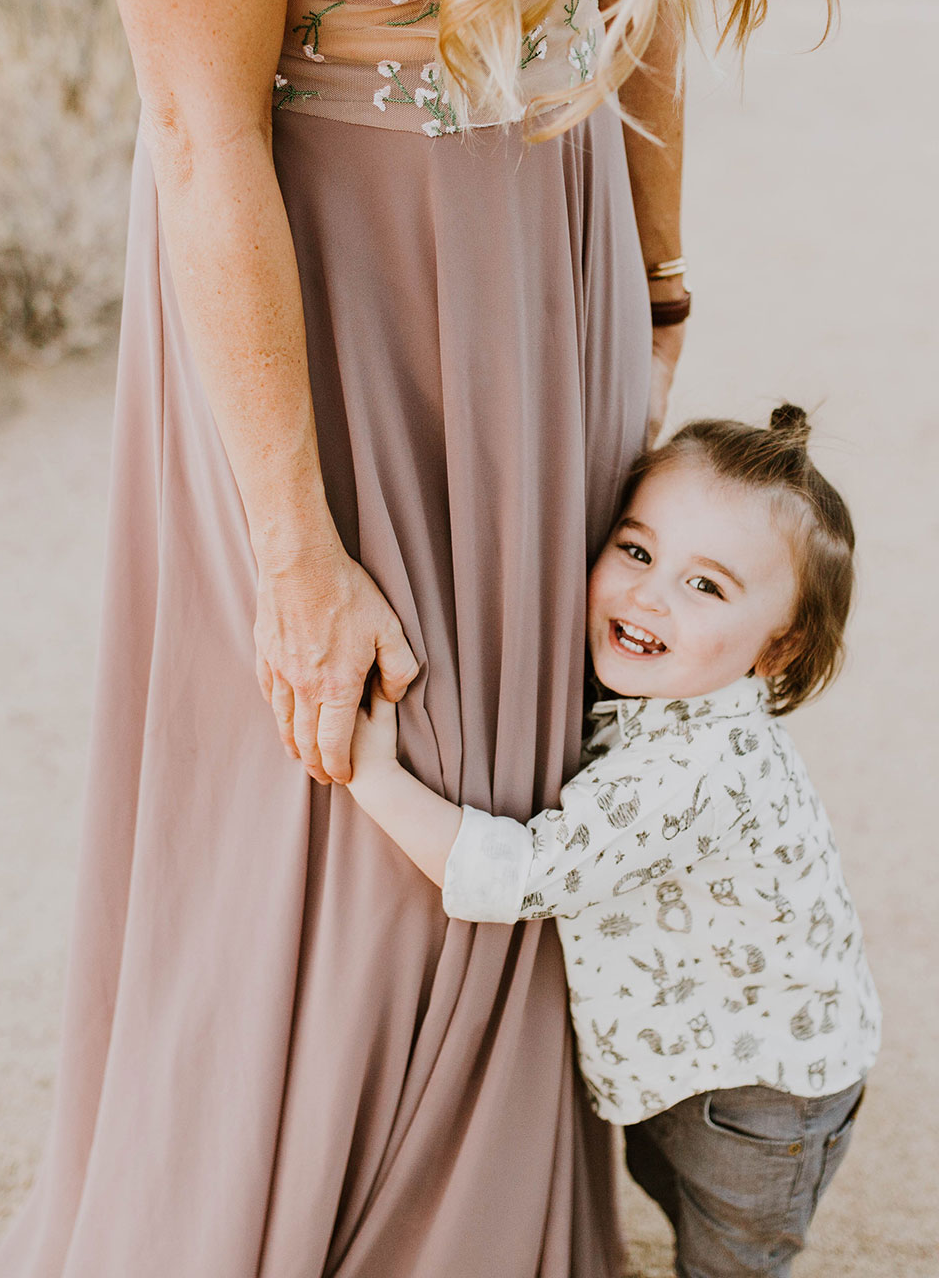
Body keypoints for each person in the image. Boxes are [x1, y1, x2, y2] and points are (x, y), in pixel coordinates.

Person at [0, 0, 837, 1272]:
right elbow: (200, 132)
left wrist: (659, 273)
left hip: (559, 229)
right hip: (312, 272)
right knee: (353, 748)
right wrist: (293, 547)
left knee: (525, 745)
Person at [346, 405, 881, 1276]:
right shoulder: (673, 704)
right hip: (696, 1058)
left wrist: (372, 776)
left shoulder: (697, 768)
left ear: (777, 649)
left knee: (731, 1257)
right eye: (635, 551)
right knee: (664, 1182)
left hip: (764, 1096)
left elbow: (517, 874)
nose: (648, 594)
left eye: (705, 586)